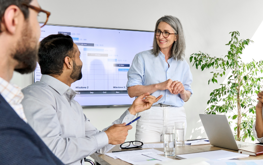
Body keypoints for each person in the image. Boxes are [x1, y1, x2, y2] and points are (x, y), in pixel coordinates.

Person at [21, 34, 162, 165]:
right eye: (78, 56)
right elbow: (53, 152)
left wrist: (132, 110)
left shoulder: (71, 103)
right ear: (68, 62)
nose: (81, 62)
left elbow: (100, 144)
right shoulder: (36, 97)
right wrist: (105, 137)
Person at [0, 0, 64, 164]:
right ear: (13, 18)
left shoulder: (10, 102)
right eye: (37, 16)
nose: (39, 32)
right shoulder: (5, 128)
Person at [127, 15, 193, 142]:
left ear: (176, 37)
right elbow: (131, 91)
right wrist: (158, 86)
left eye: (166, 33)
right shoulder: (142, 58)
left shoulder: (183, 63)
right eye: (158, 31)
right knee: (146, 159)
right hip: (150, 115)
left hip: (176, 116)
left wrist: (182, 91)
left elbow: (187, 96)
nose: (161, 36)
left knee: (175, 159)